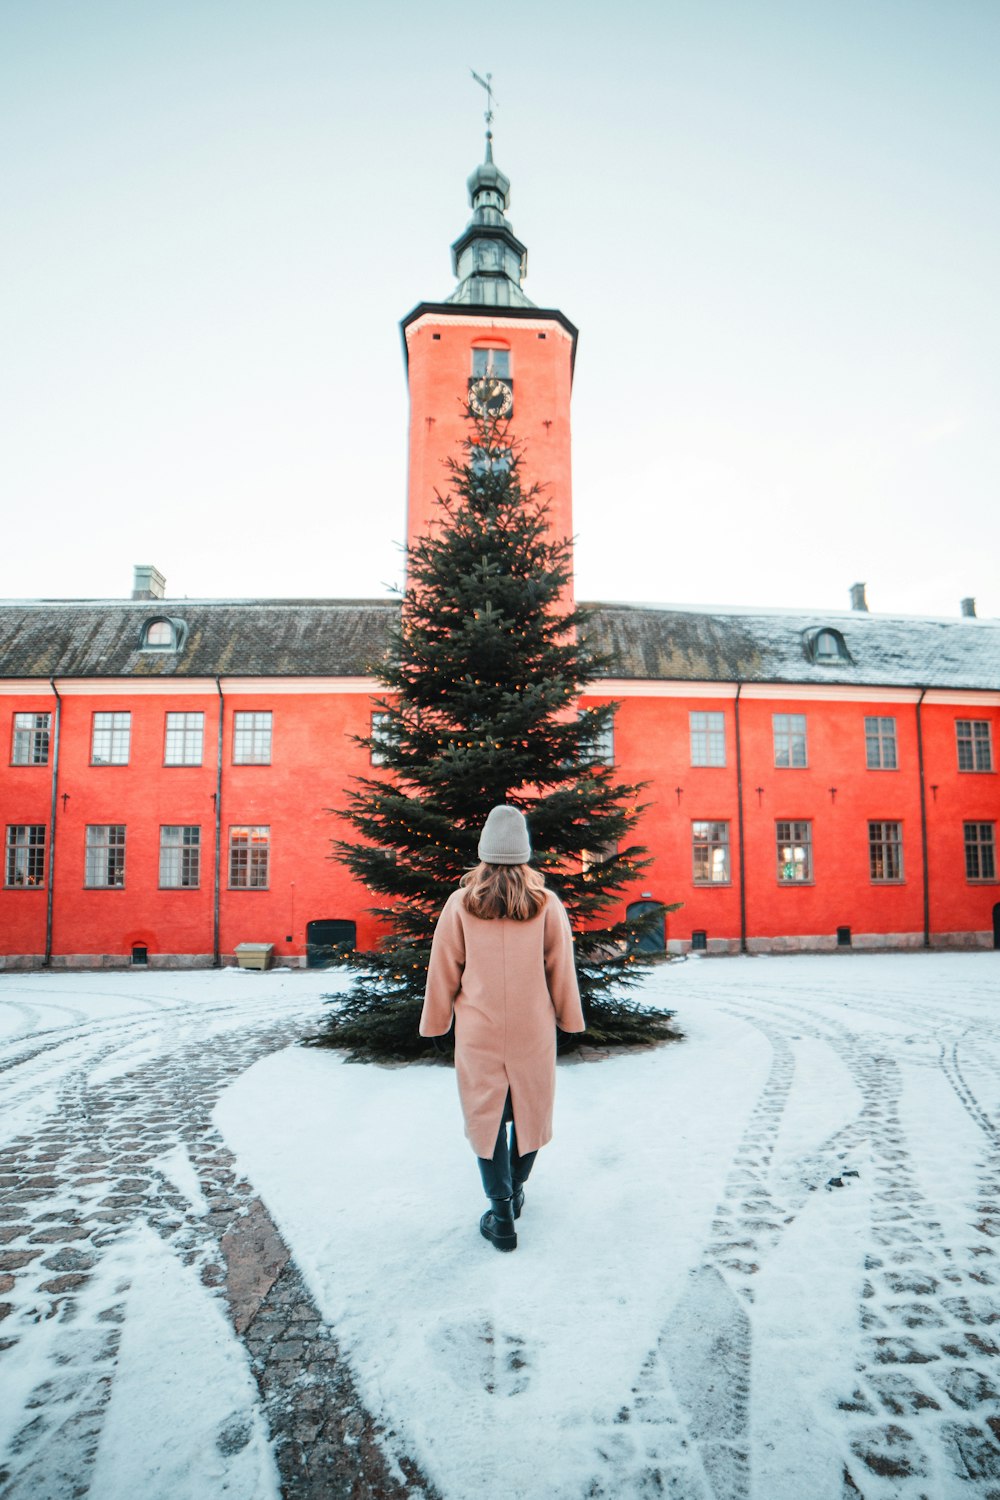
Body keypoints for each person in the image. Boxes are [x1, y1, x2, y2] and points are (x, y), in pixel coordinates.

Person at [420, 805, 585, 1251]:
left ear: (485, 853)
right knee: (531, 1111)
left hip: (479, 1029)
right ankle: (515, 1188)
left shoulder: (461, 902)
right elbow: (561, 969)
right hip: (533, 1028)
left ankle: (501, 1212)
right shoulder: (547, 903)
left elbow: (444, 968)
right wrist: (569, 1020)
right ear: (525, 853)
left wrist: (438, 1023)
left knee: (485, 1115)